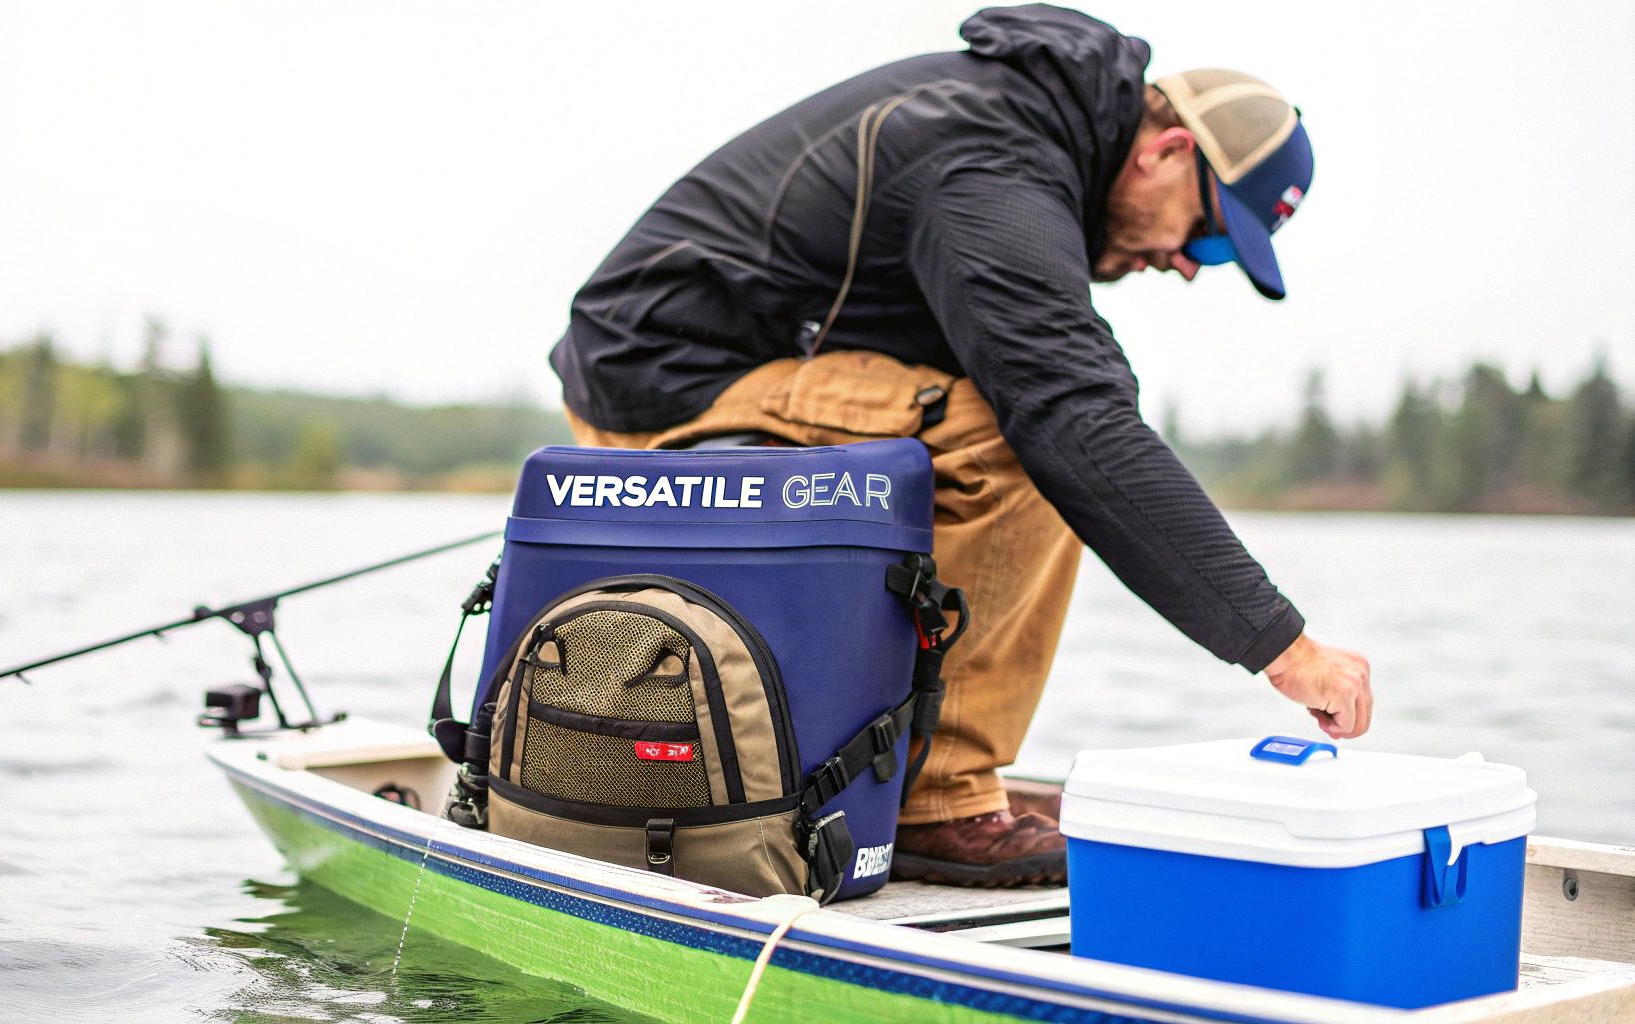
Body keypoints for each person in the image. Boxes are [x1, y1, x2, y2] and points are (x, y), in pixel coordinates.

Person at [548, 4, 1373, 887]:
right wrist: (1283, 646)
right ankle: (939, 799)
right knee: (1017, 440)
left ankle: (897, 766)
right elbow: (1071, 413)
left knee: (999, 418)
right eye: (1209, 234)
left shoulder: (1013, 128)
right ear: (1167, 151)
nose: (1186, 265)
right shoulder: (995, 157)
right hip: (669, 375)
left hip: (699, 359)